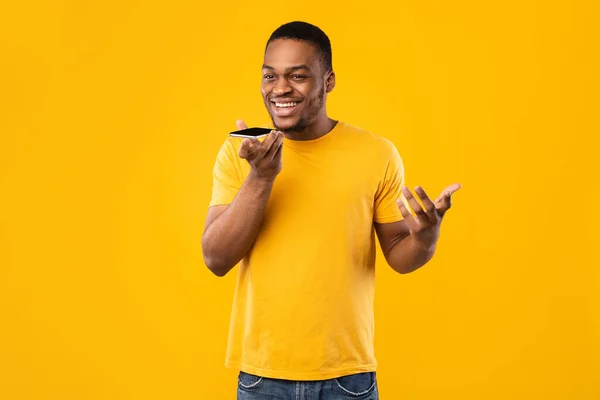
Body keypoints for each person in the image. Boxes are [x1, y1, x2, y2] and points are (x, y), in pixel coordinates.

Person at [202, 21, 461, 400]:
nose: (280, 88)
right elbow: (216, 258)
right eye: (270, 75)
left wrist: (425, 239)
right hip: (262, 378)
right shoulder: (243, 153)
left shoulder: (376, 153)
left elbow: (400, 257)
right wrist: (261, 178)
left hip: (348, 377)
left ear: (329, 81)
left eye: (298, 76)